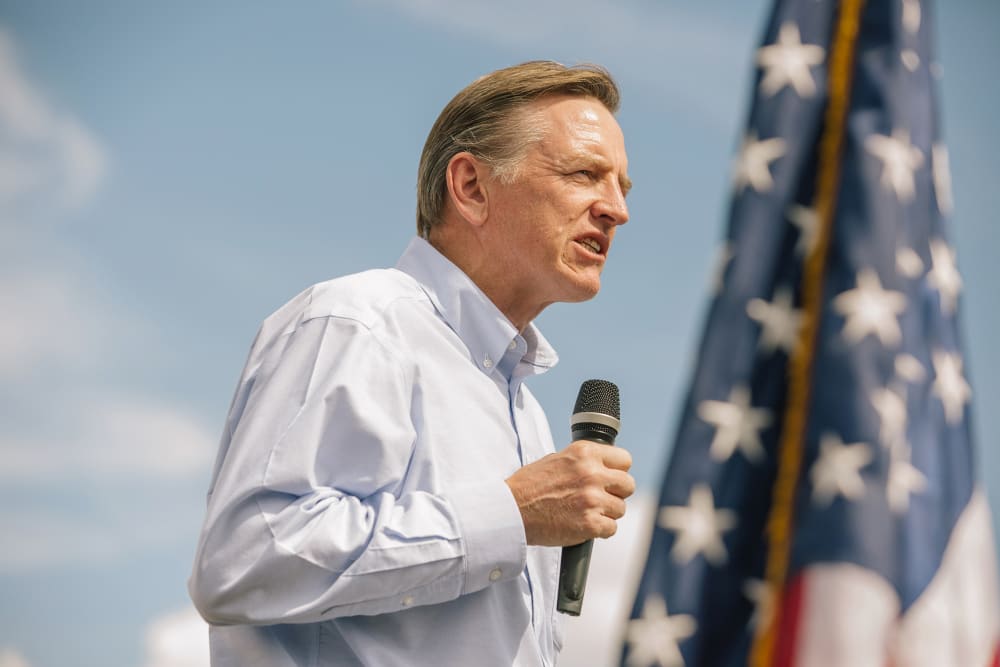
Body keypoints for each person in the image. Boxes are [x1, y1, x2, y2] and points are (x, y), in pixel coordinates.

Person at [189, 60, 635, 667]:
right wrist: (509, 513)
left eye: (622, 189)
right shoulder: (356, 324)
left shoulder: (522, 406)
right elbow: (244, 561)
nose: (616, 210)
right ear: (472, 187)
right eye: (586, 174)